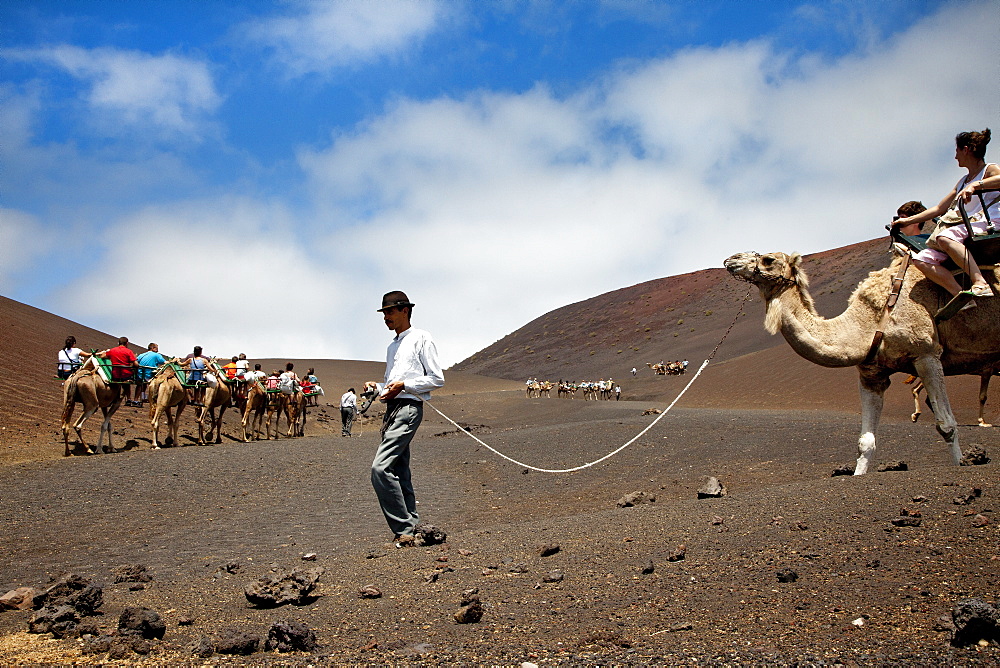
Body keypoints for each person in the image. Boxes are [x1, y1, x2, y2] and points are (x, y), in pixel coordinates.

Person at [367, 291, 445, 548]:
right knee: (400, 471)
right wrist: (377, 386)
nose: (386, 317)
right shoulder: (392, 346)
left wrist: (405, 385)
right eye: (384, 313)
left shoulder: (422, 337)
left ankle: (402, 528)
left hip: (409, 409)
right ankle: (410, 529)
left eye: (390, 311)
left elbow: (436, 378)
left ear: (405, 311)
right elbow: (391, 383)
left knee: (380, 468)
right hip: (391, 410)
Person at [892, 129, 1000, 302]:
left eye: (957, 151)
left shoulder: (989, 169)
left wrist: (976, 186)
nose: (955, 157)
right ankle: (959, 295)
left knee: (945, 237)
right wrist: (907, 221)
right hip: (968, 226)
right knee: (921, 259)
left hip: (990, 222)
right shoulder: (963, 181)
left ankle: (980, 282)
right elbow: (939, 209)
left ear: (966, 150)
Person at [100, 337, 138, 404]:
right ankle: (128, 399)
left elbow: (103, 356)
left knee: (116, 384)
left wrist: (105, 352)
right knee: (127, 385)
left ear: (118, 343)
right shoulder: (128, 351)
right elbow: (136, 364)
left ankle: (114, 397)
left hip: (115, 374)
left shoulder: (112, 350)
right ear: (127, 343)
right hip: (126, 374)